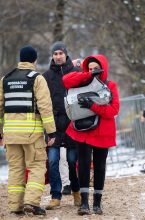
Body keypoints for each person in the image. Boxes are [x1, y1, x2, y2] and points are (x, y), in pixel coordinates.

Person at [0, 45, 56, 216]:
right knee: (37, 166)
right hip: (32, 134)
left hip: (11, 134)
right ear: (34, 60)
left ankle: (15, 206)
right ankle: (31, 202)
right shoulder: (37, 78)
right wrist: (51, 131)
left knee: (16, 168)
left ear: (20, 58)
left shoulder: (5, 79)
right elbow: (45, 107)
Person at [62, 54, 120, 215]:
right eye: (90, 68)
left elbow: (114, 110)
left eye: (96, 68)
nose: (94, 71)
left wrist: (93, 106)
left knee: (100, 166)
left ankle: (97, 203)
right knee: (83, 165)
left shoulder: (110, 85)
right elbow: (66, 81)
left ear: (104, 68)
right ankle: (84, 203)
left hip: (103, 131)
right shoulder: (82, 80)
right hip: (83, 130)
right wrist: (87, 75)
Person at [43, 42, 81, 210]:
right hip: (54, 127)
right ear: (52, 56)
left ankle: (76, 192)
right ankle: (55, 196)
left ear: (66, 54)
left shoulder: (76, 72)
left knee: (73, 161)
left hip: (73, 125)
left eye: (60, 53)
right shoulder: (45, 77)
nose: (57, 56)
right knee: (52, 162)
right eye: (55, 53)